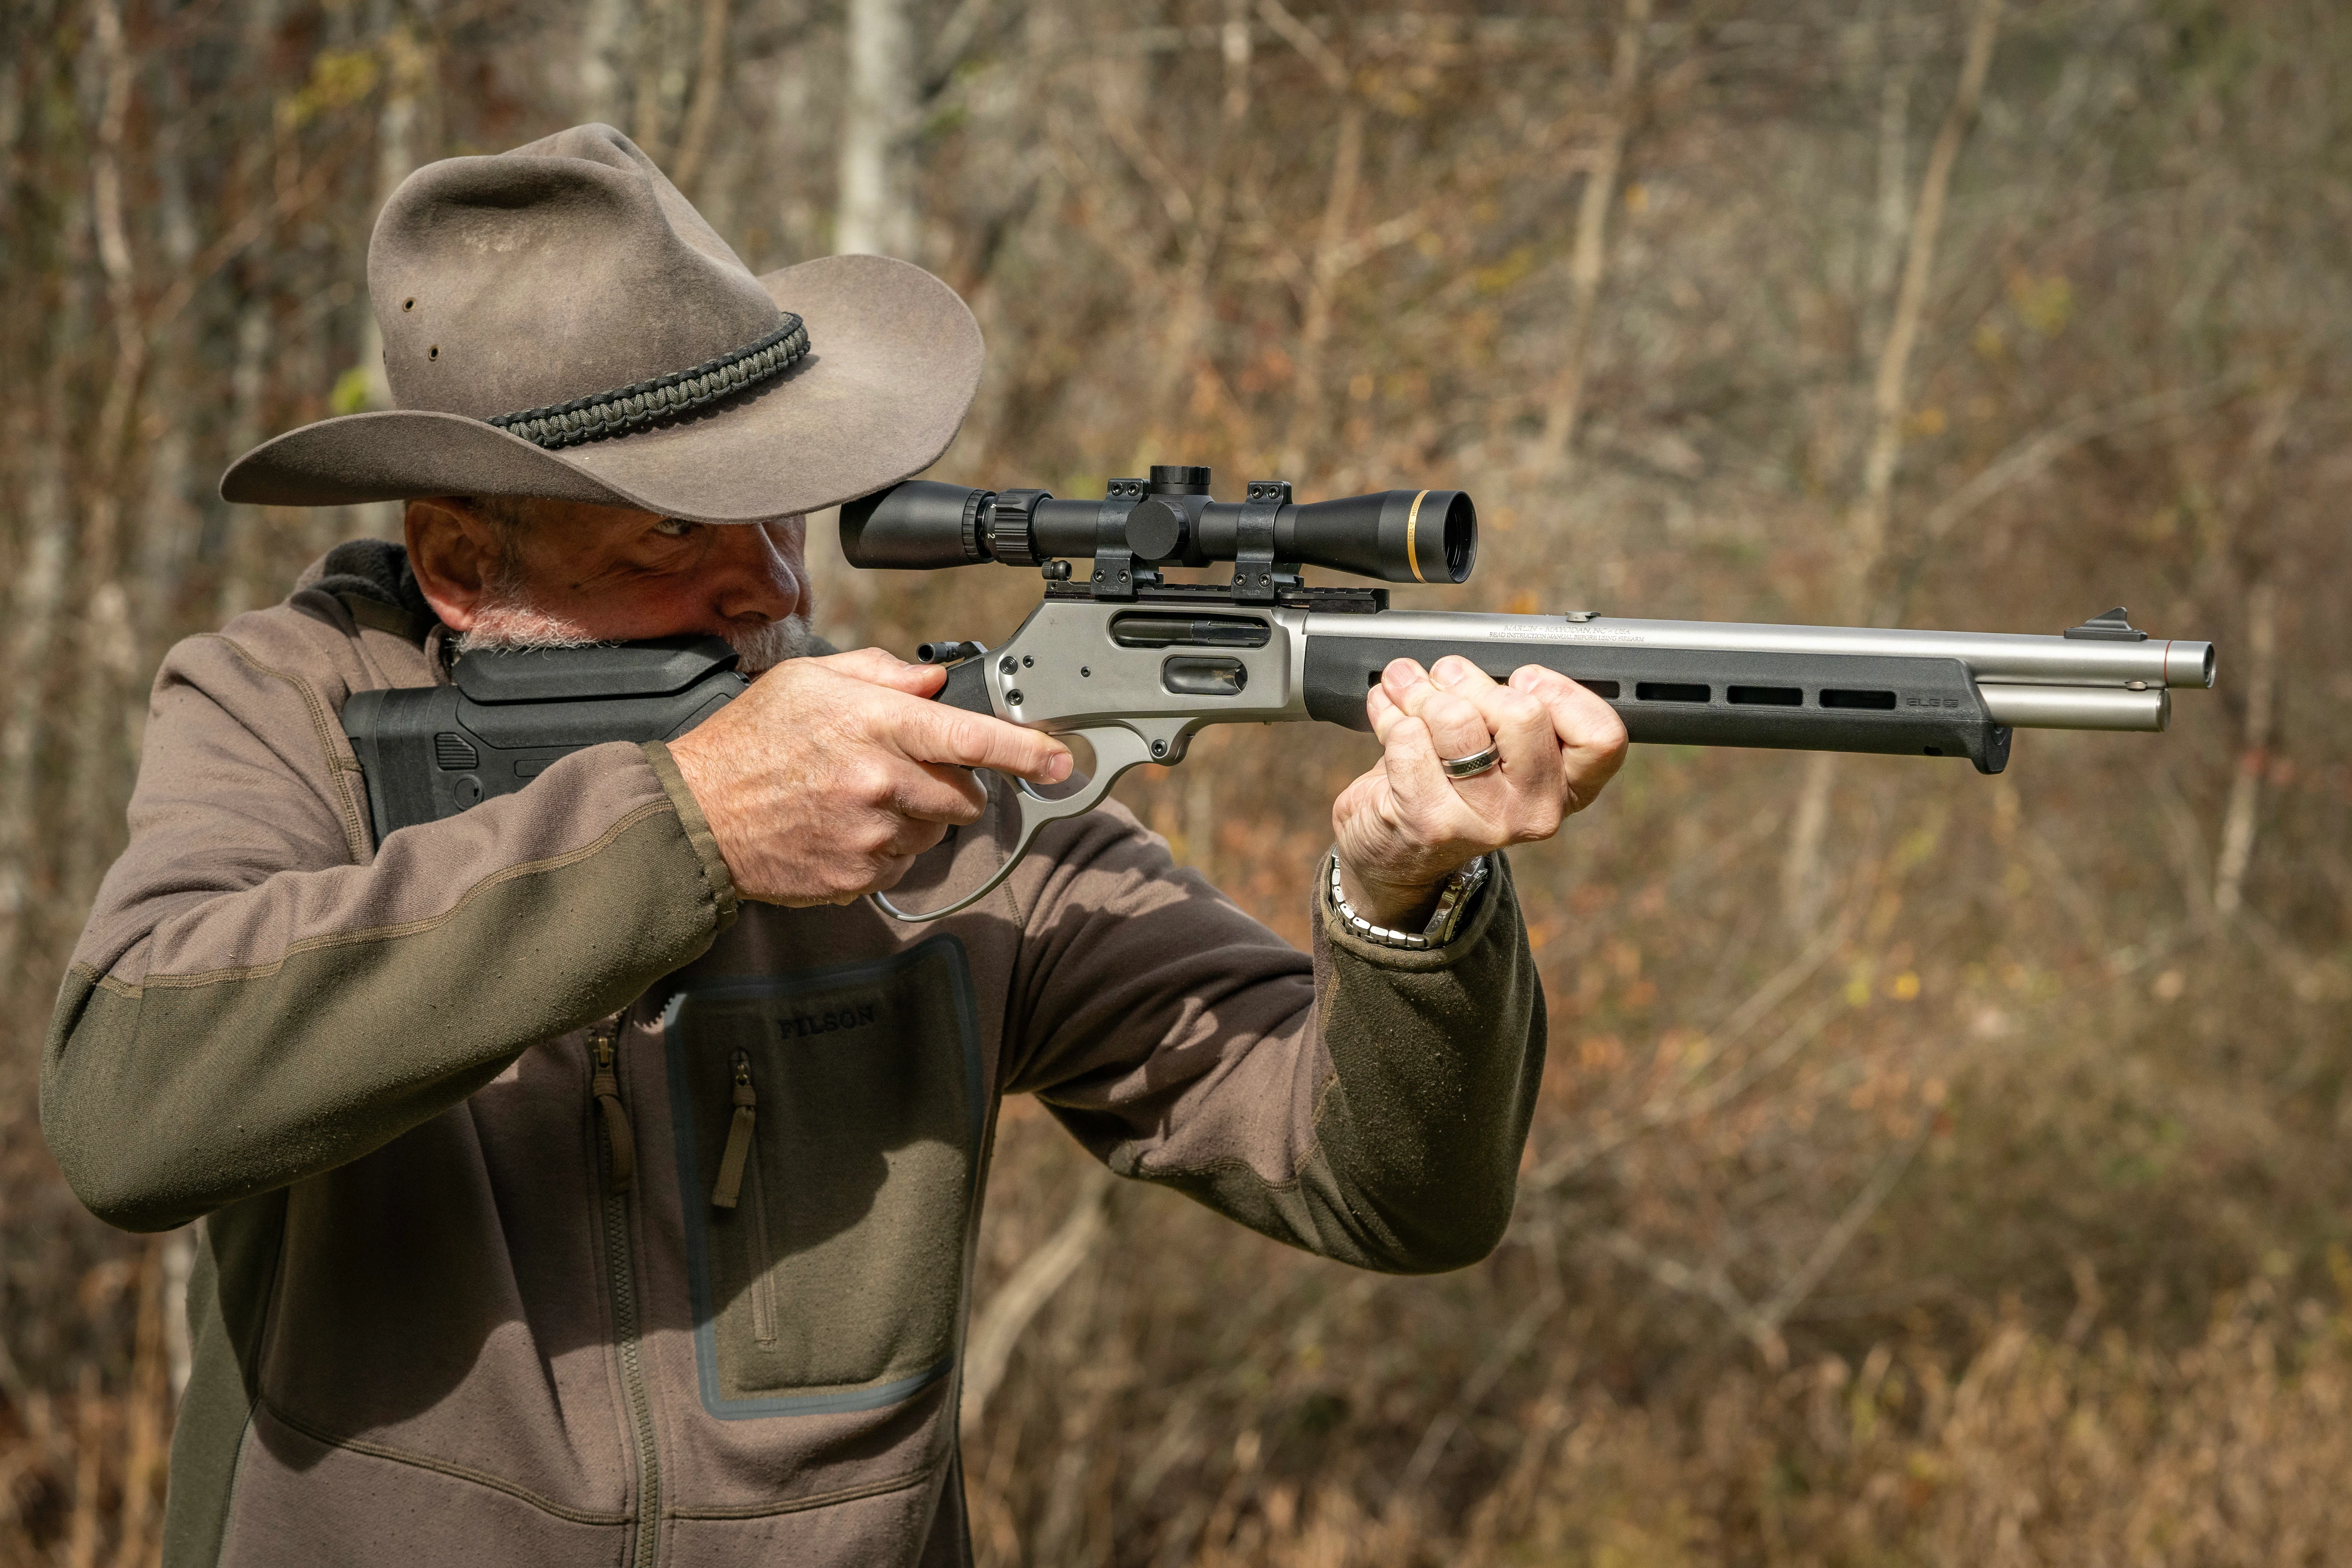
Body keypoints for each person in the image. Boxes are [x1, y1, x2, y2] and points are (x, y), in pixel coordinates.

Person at [41, 125, 1625, 1568]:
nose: (773, 591)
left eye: (779, 508)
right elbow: (127, 1106)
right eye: (678, 529)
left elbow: (1392, 1193)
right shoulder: (286, 710)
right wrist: (689, 832)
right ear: (460, 565)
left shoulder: (931, 776)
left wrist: (1405, 902)